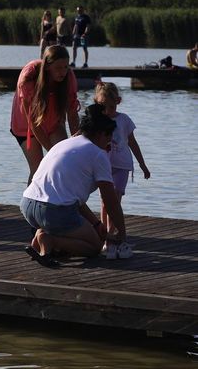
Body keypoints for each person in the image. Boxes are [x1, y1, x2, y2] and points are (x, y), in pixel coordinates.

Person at [20, 104, 125, 264]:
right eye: (109, 135)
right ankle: (50, 240)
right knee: (94, 246)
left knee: (84, 231)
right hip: (53, 211)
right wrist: (122, 234)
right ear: (99, 134)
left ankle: (43, 239)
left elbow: (72, 199)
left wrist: (96, 224)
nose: (110, 140)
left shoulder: (64, 144)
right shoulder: (97, 154)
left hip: (28, 205)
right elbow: (110, 200)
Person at [94, 81, 150, 258]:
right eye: (103, 107)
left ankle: (113, 233)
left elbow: (132, 142)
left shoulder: (124, 120)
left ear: (118, 101)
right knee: (104, 200)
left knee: (115, 199)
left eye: (111, 107)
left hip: (122, 167)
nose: (108, 111)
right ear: (97, 103)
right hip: (105, 166)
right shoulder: (99, 121)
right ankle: (105, 235)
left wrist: (142, 164)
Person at [10, 44, 80, 182]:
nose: (63, 72)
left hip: (54, 123)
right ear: (47, 66)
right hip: (26, 127)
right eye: (58, 68)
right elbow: (33, 123)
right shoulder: (29, 77)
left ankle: (61, 202)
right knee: (38, 168)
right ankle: (30, 203)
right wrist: (51, 152)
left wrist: (77, 143)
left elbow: (72, 114)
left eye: (66, 67)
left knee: (62, 162)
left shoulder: (69, 77)